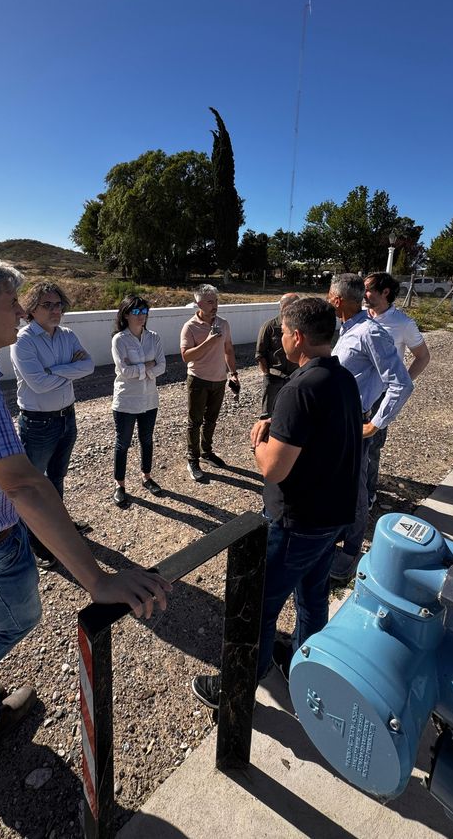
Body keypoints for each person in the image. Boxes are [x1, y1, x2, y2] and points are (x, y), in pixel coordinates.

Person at [0, 253, 170, 777]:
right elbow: (26, 484)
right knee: (20, 618)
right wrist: (97, 579)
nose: (22, 313)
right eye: (11, 303)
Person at [191, 298, 362, 708]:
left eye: (284, 332)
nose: (280, 338)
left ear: (298, 337)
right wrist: (282, 429)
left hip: (296, 523)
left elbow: (273, 469)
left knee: (259, 605)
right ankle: (307, 672)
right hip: (332, 518)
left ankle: (238, 688)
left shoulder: (298, 388)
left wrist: (258, 437)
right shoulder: (342, 379)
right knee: (311, 598)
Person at [327, 273, 414, 583]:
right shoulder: (348, 328)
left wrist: (375, 424)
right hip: (339, 421)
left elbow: (401, 383)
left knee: (357, 488)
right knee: (339, 483)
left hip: (356, 421)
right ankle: (338, 533)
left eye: (328, 295)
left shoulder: (369, 333)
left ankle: (351, 549)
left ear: (336, 300)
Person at [10, 281, 94, 569]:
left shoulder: (67, 335)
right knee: (33, 486)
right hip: (38, 422)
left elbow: (90, 366)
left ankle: (59, 528)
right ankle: (37, 542)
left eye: (58, 304)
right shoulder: (23, 341)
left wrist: (54, 370)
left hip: (66, 417)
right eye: (48, 305)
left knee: (56, 478)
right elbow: (38, 384)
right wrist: (69, 370)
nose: (56, 310)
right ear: (32, 308)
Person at [363, 272, 431, 508]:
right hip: (356, 393)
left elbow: (423, 357)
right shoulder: (360, 317)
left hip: (380, 396)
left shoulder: (403, 324)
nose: (364, 293)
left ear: (385, 293)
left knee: (371, 446)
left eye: (369, 289)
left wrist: (402, 383)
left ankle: (368, 494)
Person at [111, 295, 166, 507]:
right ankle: (120, 484)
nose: (141, 316)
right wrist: (148, 366)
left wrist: (140, 369)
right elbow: (123, 371)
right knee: (122, 443)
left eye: (144, 312)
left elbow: (162, 366)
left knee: (147, 439)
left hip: (149, 400)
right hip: (126, 400)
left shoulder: (154, 337)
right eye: (136, 312)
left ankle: (147, 476)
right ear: (125, 314)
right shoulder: (119, 340)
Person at [180, 284, 238, 482]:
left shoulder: (224, 323)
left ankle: (206, 452)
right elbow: (186, 357)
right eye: (210, 302)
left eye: (216, 301)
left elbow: (228, 349)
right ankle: (192, 459)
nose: (215, 305)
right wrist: (209, 341)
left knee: (211, 420)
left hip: (219, 380)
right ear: (199, 303)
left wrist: (233, 373)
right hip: (197, 379)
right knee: (194, 422)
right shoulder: (190, 326)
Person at [254, 293, 300, 419]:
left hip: (294, 377)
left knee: (291, 412)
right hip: (274, 378)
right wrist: (267, 374)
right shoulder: (269, 326)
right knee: (268, 415)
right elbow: (260, 354)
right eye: (296, 305)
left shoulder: (299, 327)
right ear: (284, 307)